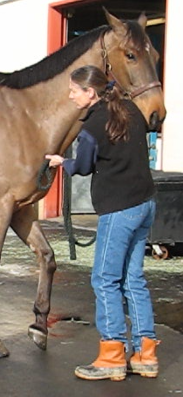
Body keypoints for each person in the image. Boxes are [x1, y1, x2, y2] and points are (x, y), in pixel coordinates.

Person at [46, 65, 160, 382]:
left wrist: (61, 162)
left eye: (74, 90)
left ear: (91, 93)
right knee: (133, 279)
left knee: (105, 279)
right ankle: (145, 354)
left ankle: (112, 356)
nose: (70, 95)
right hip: (145, 204)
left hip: (120, 209)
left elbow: (82, 166)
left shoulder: (94, 124)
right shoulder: (130, 110)